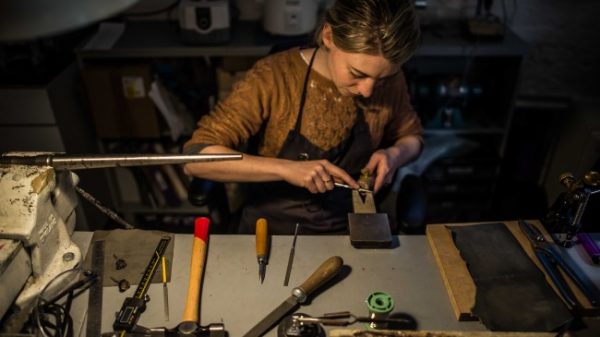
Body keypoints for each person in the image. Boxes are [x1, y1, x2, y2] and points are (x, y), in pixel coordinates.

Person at [183, 0, 423, 234]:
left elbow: (412, 137)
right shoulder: (274, 77)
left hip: (351, 227)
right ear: (328, 36)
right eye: (356, 73)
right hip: (271, 228)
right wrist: (285, 169)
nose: (368, 91)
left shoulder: (392, 81)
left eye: (381, 79)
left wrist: (394, 154)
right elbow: (197, 159)